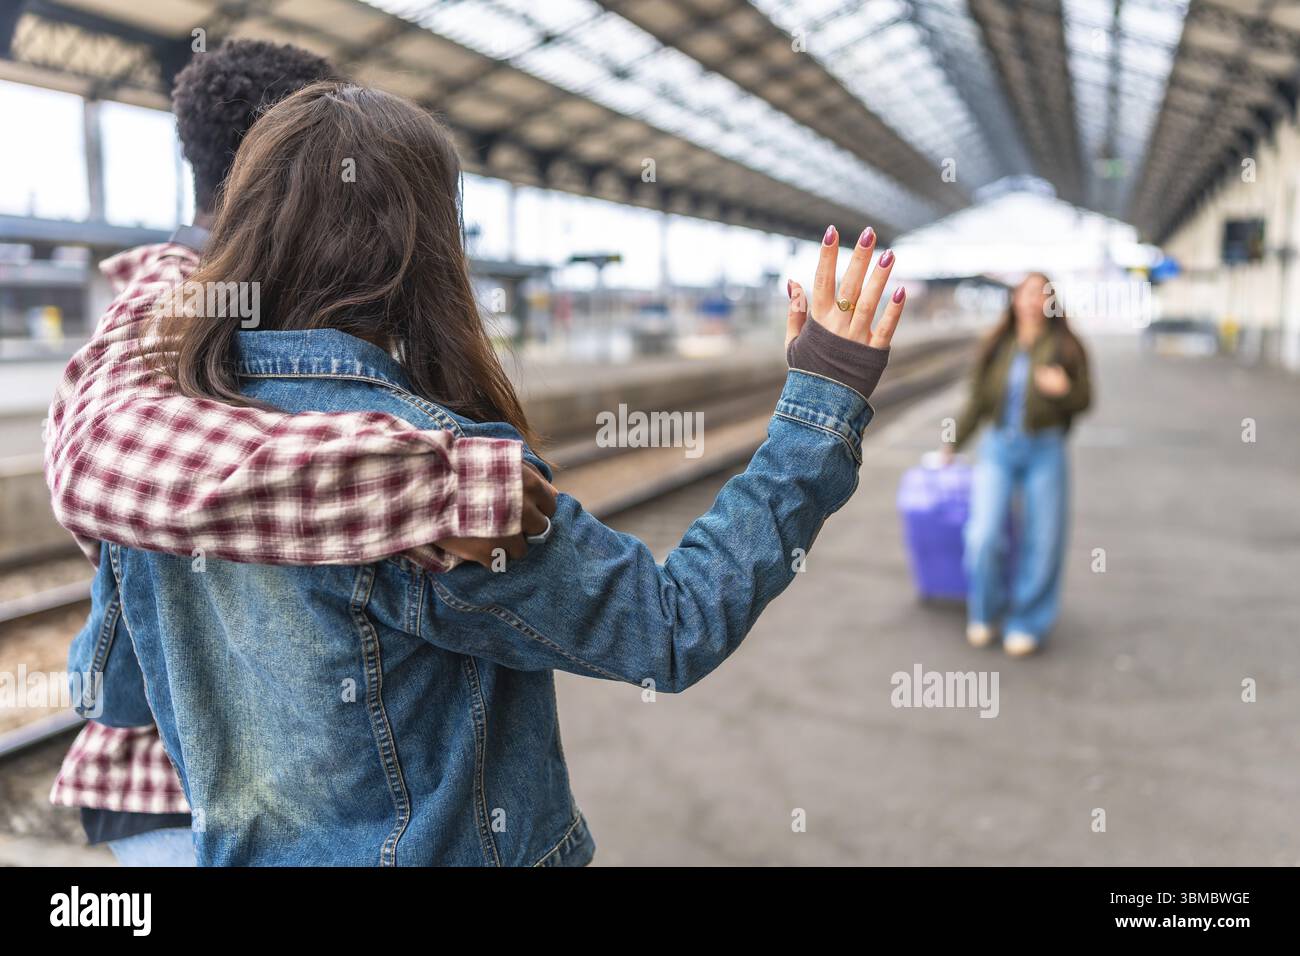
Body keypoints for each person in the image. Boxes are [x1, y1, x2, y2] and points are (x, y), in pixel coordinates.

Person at [75, 81, 907, 865]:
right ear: (424, 250)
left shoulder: (158, 458)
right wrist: (821, 401)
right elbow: (673, 627)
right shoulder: (444, 474)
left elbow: (114, 696)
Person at [47, 41, 553, 866]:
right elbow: (101, 454)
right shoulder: (178, 295)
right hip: (179, 790)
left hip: (278, 785)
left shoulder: (265, 307)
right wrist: (441, 482)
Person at [943, 272, 1092, 656]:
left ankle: (1027, 620)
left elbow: (1085, 400)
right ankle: (986, 611)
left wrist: (1064, 391)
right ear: (1014, 300)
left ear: (1051, 302)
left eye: (1040, 294)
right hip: (998, 447)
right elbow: (977, 400)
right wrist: (953, 442)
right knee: (984, 535)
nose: (1031, 301)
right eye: (1025, 293)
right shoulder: (997, 346)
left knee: (1043, 539)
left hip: (1045, 448)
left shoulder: (1067, 347)